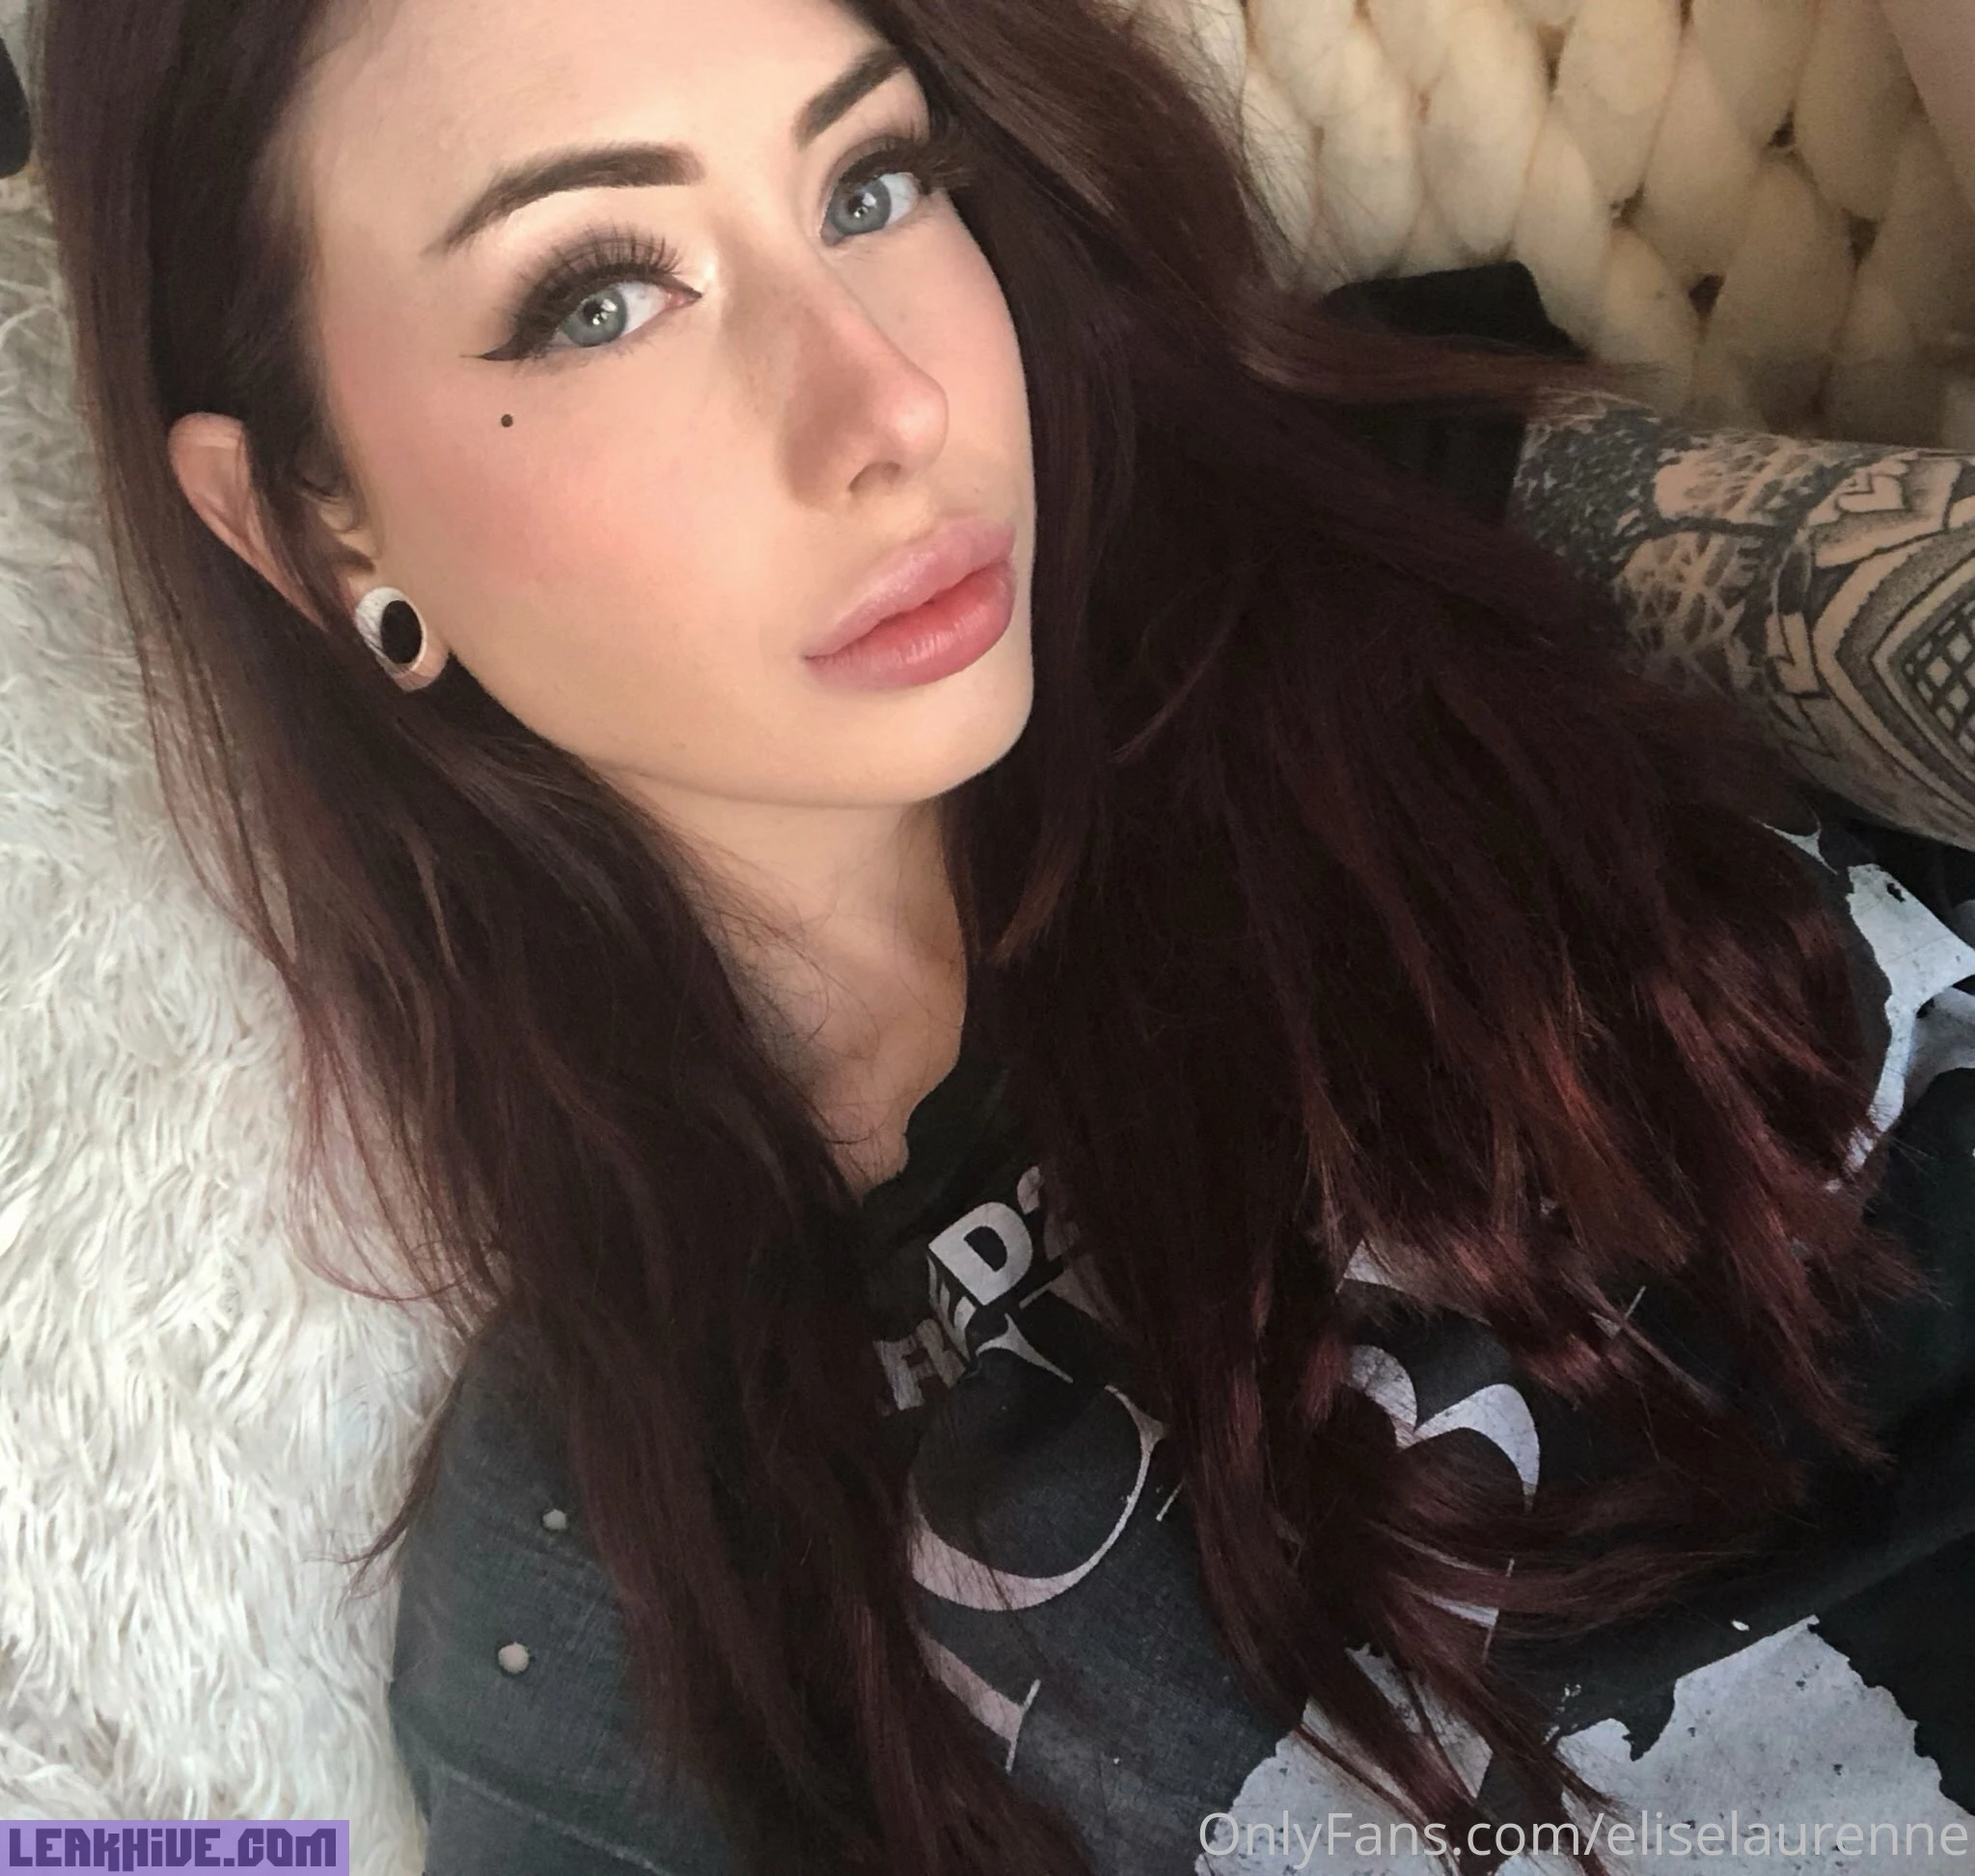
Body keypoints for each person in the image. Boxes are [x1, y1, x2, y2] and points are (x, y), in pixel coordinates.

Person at [27, 0, 1975, 1868]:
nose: (892, 403)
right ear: (313, 523)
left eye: (869, 183)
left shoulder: (1373, 529)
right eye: (598, 297)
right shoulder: (629, 1559)